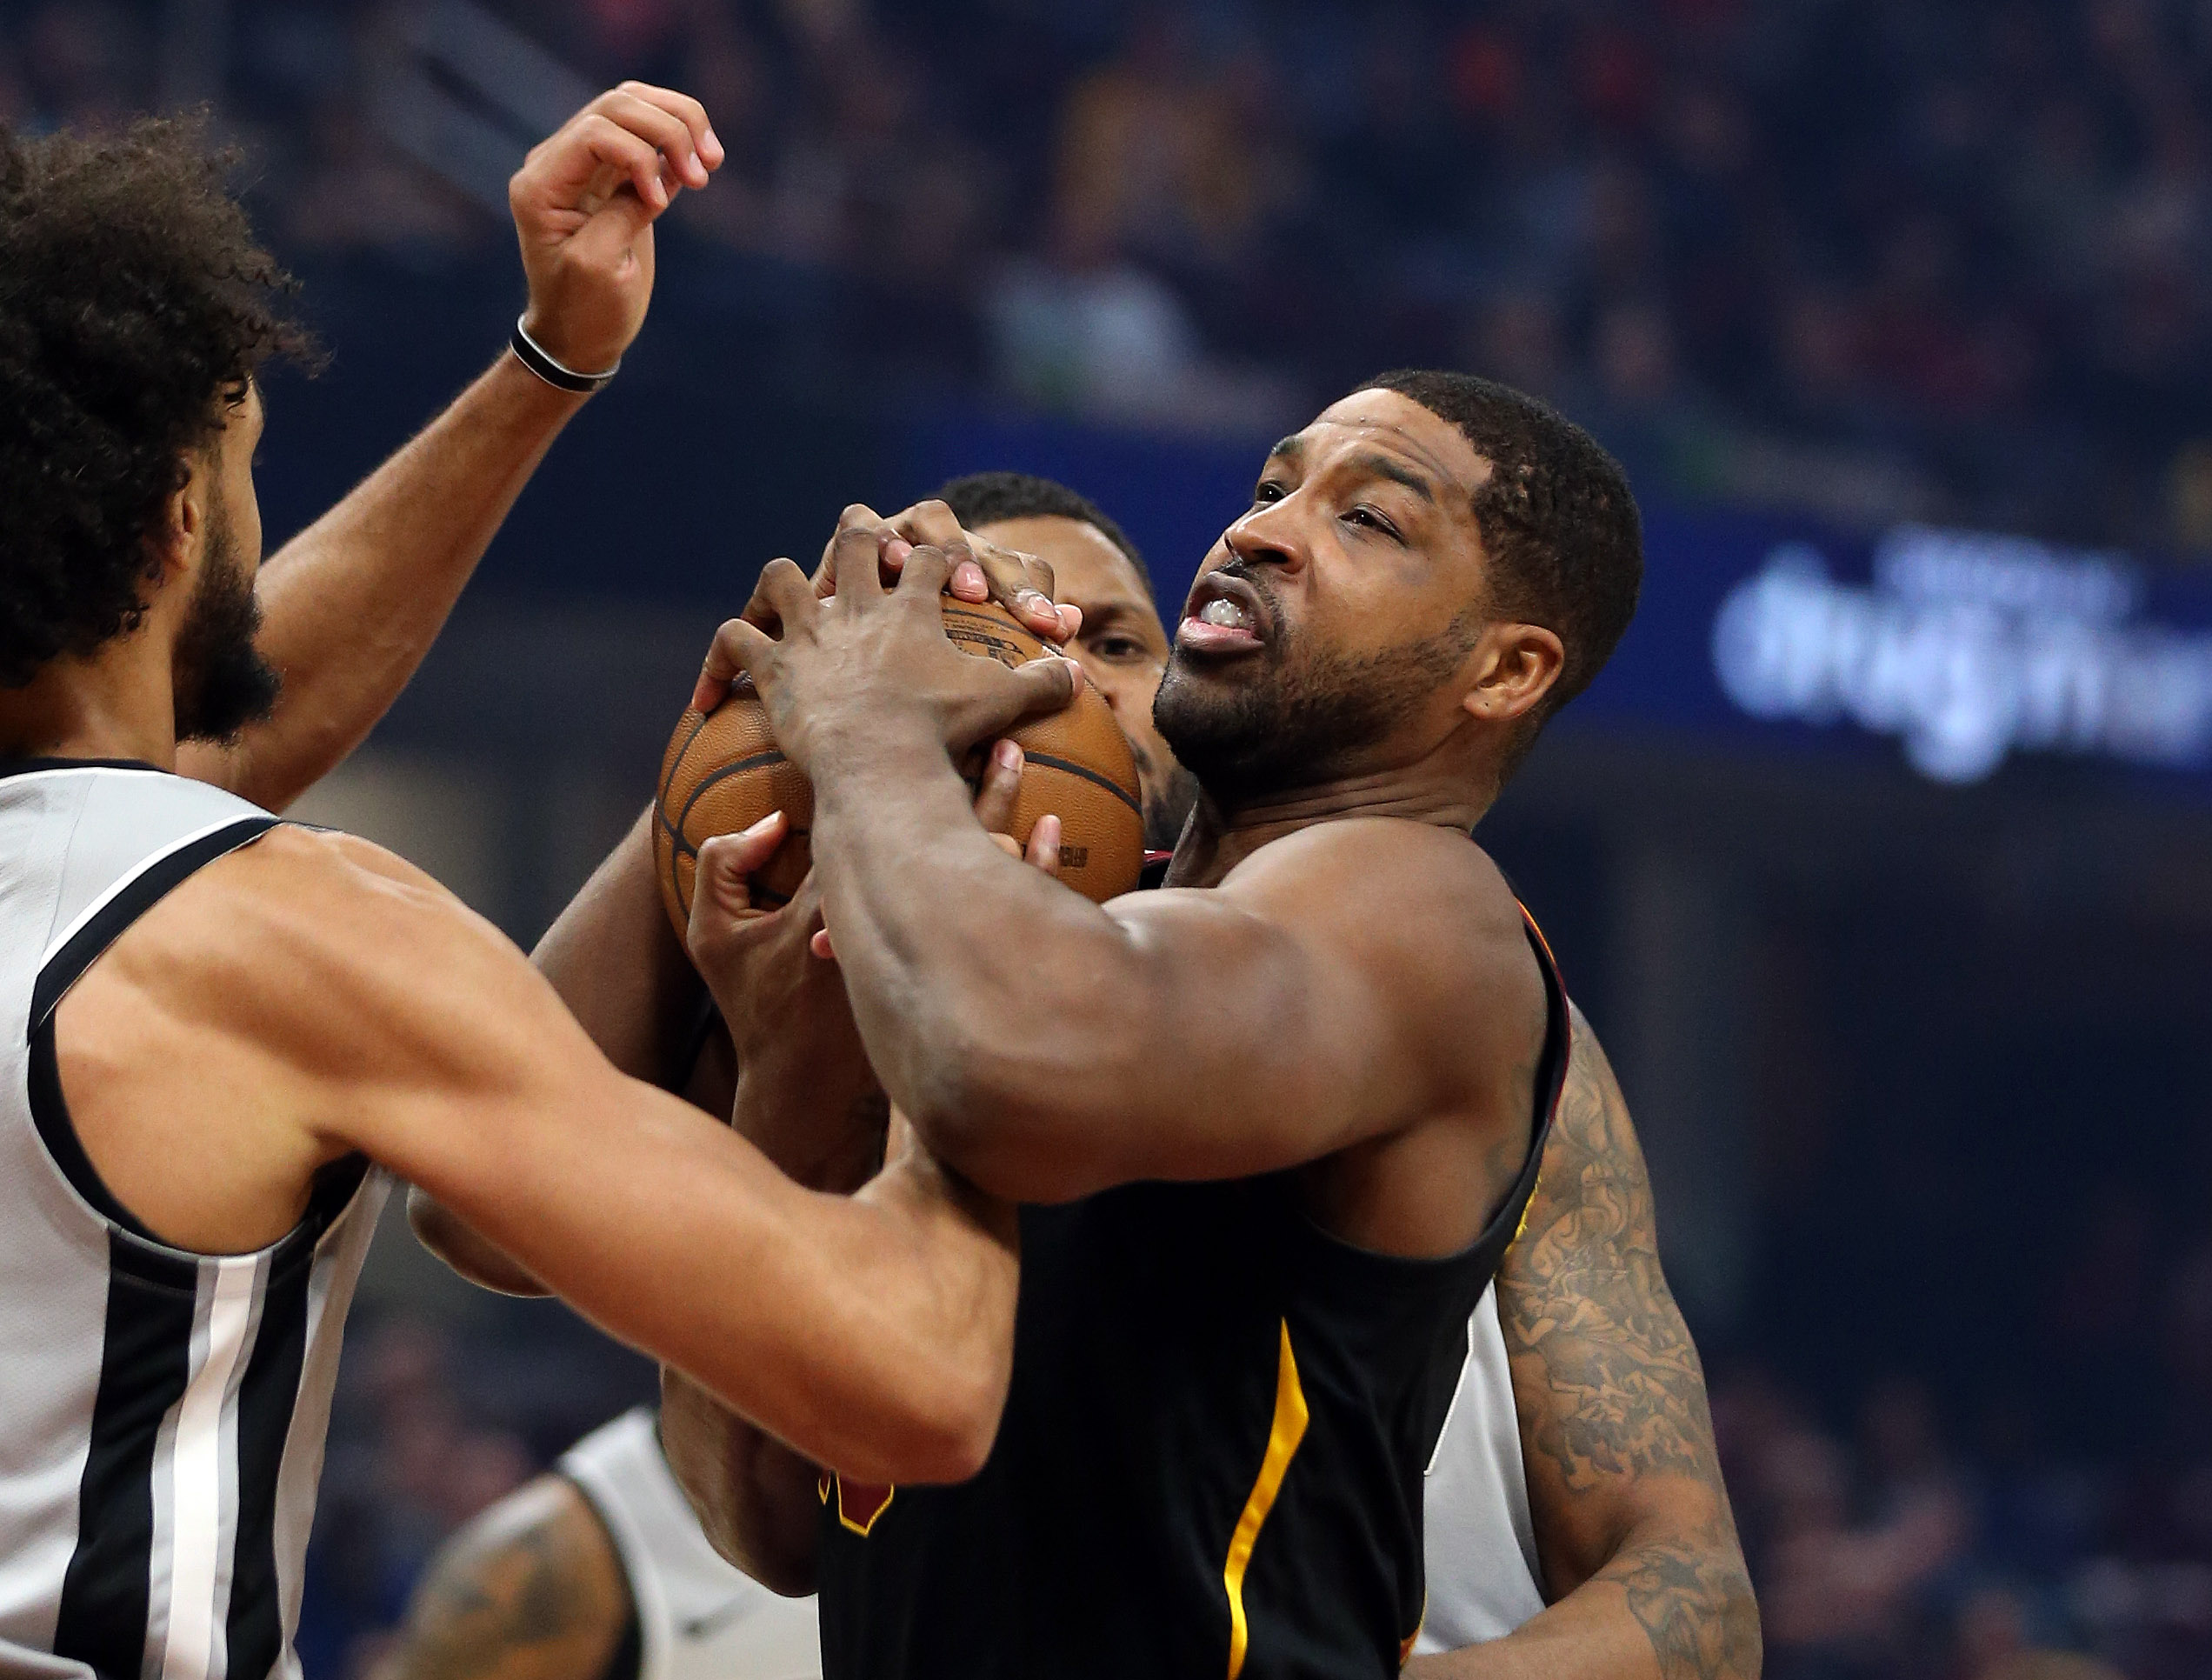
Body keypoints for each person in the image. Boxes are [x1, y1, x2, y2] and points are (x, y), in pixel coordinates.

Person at [0, 93, 1069, 1680]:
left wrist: (548, 362)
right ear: (171, 530)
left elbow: (202, 739)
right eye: (243, 474)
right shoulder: (286, 934)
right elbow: (915, 1375)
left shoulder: (95, 888)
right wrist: (952, 892)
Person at [404, 469, 1756, 1680]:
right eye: (978, 634)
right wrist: (776, 718)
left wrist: (863, 730)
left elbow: (1690, 1599)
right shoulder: (870, 1019)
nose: (1056, 678)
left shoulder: (1422, 973)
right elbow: (748, 1503)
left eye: (1113, 641)